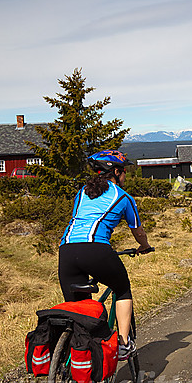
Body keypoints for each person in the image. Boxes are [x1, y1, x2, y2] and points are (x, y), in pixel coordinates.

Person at [58, 150, 152, 360]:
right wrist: (144, 246)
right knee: (122, 288)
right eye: (124, 171)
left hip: (66, 251)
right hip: (95, 249)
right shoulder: (123, 197)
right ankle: (123, 344)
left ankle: (76, 367)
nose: (126, 175)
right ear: (116, 172)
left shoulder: (82, 192)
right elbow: (137, 231)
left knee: (78, 311)